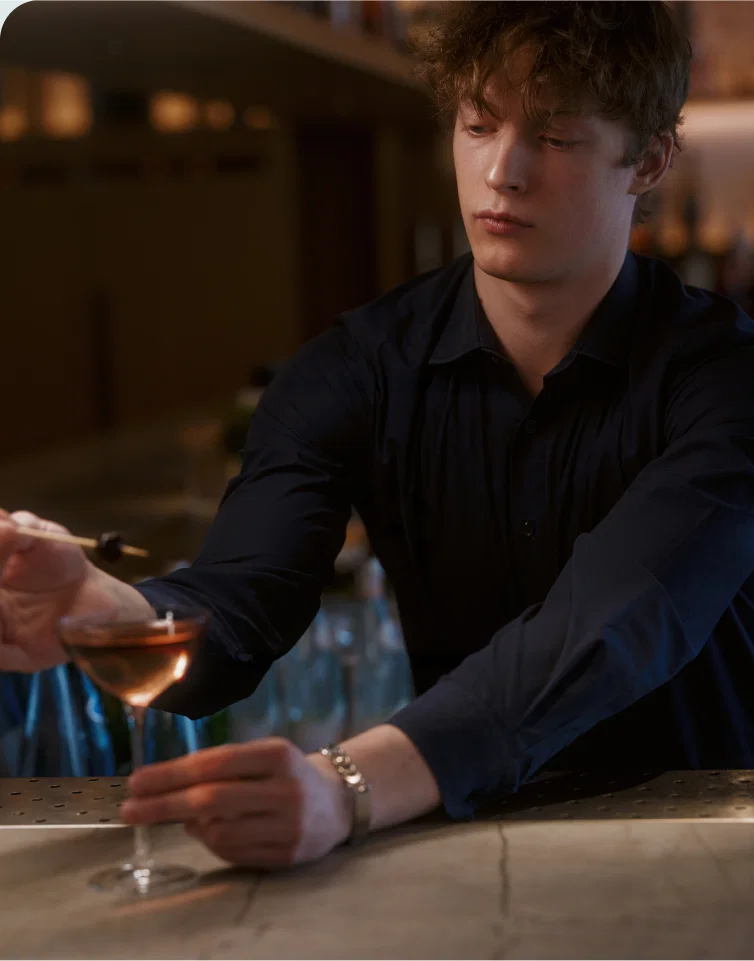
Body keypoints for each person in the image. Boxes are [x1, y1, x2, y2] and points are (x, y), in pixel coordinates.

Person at [2, 0, 753, 870]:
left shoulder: (725, 379)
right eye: (478, 124)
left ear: (650, 158)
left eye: (553, 137)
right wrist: (106, 610)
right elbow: (245, 601)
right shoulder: (355, 366)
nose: (501, 171)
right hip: (461, 850)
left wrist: (348, 785)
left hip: (704, 842)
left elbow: (619, 617)